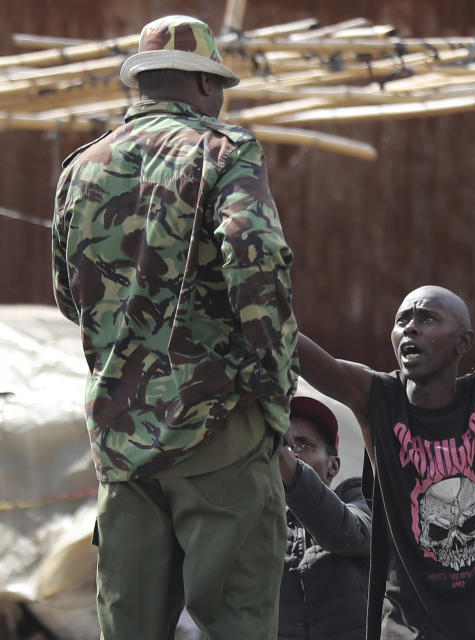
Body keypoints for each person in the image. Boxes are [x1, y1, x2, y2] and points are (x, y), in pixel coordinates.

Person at [51, 15, 298, 640]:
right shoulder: (224, 151)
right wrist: (272, 387)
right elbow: (257, 264)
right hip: (218, 428)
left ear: (143, 84)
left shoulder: (79, 170)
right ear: (203, 87)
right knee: (236, 624)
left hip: (122, 443)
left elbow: (68, 299)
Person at [296, 174, 475, 639]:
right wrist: (249, 289)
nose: (411, 329)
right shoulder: (376, 399)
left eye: (427, 319)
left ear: (463, 341)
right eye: (403, 320)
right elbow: (298, 351)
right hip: (411, 625)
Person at [277, 395, 372, 640]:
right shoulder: (259, 518)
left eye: (303, 444)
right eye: (284, 443)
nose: (291, 453)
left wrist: (291, 470)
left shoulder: (360, 497)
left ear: (334, 465)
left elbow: (353, 533)